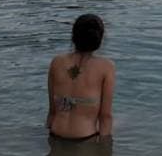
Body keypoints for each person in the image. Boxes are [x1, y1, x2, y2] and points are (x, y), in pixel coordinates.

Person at [46, 13, 115, 142]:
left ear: (73, 37)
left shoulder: (56, 62)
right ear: (99, 39)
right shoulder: (106, 67)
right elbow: (105, 117)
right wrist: (106, 152)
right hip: (85, 138)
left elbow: (52, 111)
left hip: (55, 134)